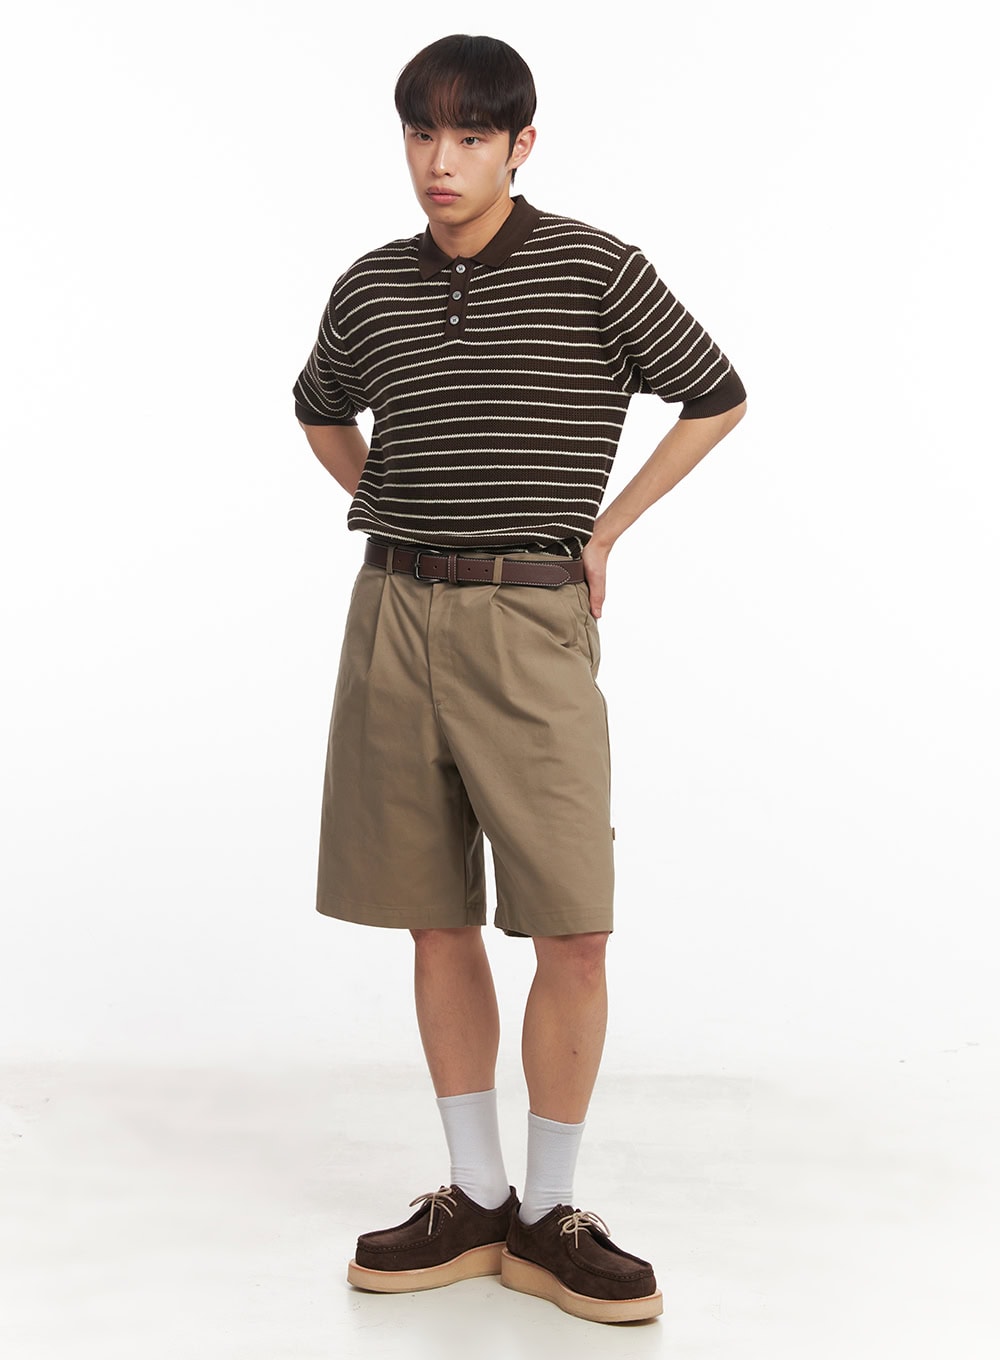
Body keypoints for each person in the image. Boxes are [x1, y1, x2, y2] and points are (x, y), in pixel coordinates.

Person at [292, 33, 746, 1325]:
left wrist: (606, 532)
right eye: (421, 135)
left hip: (530, 617)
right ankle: (476, 1196)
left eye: (472, 137)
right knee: (432, 914)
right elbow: (319, 407)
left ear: (519, 145)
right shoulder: (371, 286)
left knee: (571, 925)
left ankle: (551, 1212)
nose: (441, 162)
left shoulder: (596, 270)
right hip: (392, 612)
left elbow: (715, 394)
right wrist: (386, 500)